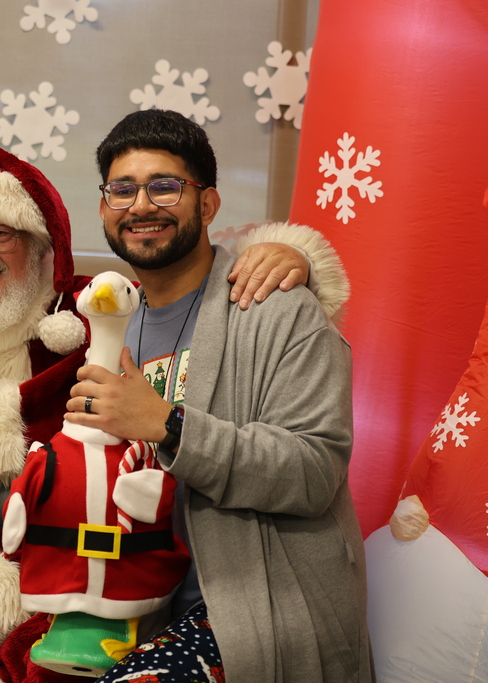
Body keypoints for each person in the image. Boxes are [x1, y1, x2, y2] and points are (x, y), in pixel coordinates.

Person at [0, 143, 351, 683]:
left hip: (69, 568)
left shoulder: (91, 311)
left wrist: (293, 254)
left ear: (42, 244)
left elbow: (192, 285)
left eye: (0, 234)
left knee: (61, 663)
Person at [66, 110, 370, 682]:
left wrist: (168, 426)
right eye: (122, 190)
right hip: (135, 604)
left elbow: (313, 471)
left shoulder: (278, 307)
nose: (140, 206)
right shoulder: (112, 321)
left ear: (207, 204)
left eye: (165, 187)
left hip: (254, 602)